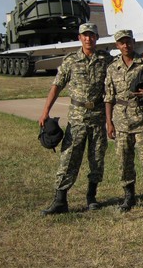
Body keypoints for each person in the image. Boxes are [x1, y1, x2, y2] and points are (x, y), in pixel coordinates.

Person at [39, 23, 112, 215]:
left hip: (98, 117)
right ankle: (60, 200)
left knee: (97, 158)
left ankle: (92, 197)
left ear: (97, 38)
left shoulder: (105, 59)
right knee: (69, 158)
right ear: (79, 38)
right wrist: (45, 111)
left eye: (92, 35)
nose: (88, 39)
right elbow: (57, 85)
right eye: (85, 35)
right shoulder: (70, 60)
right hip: (77, 118)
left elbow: (124, 66)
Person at [105, 29, 143, 212]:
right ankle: (129, 195)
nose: (126, 45)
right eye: (122, 43)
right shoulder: (112, 67)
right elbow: (109, 97)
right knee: (124, 161)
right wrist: (109, 122)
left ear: (134, 42)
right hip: (121, 120)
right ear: (117, 45)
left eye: (128, 41)